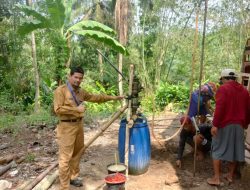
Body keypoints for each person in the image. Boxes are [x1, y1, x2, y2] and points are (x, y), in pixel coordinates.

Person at [53, 66, 124, 190]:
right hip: (66, 127)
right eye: (75, 77)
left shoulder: (81, 92)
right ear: (70, 76)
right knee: (65, 158)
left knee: (78, 152)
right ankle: (64, 187)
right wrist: (76, 109)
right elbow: (57, 109)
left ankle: (73, 177)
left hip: (78, 125)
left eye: (80, 78)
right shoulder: (61, 90)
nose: (78, 80)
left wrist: (114, 98)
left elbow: (96, 98)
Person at [207, 68, 250, 186]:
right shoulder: (245, 91)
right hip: (239, 126)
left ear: (224, 79)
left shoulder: (223, 89)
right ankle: (230, 175)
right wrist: (245, 124)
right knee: (234, 150)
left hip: (225, 125)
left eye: (221, 80)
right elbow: (248, 110)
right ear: (235, 78)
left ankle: (216, 178)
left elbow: (220, 108)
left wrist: (215, 124)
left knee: (216, 149)